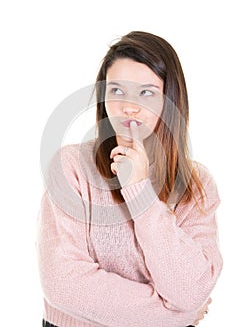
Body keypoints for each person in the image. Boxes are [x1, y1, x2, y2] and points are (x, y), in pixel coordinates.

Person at [37, 31, 223, 327]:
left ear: (169, 99)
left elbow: (189, 289)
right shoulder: (71, 166)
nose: (129, 107)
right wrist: (177, 316)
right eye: (117, 91)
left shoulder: (196, 184)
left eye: (146, 92)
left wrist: (140, 192)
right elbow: (64, 284)